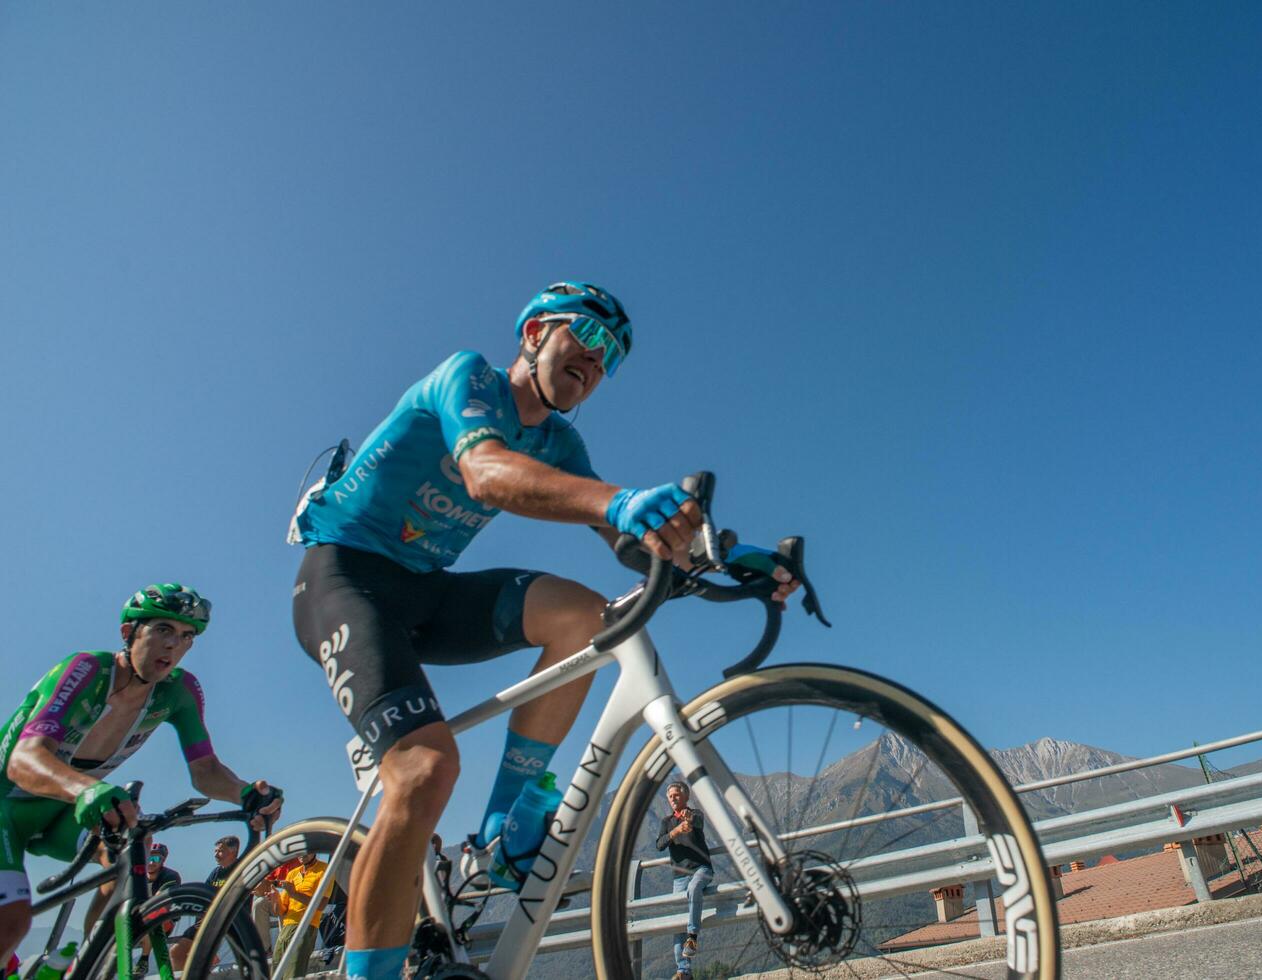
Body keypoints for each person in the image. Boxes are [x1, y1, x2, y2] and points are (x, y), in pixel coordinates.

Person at [287, 282, 800, 980]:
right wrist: (623, 502)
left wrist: (733, 558)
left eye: (608, 358)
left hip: (426, 591)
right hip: (344, 579)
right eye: (583, 340)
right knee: (423, 767)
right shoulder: (466, 376)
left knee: (586, 615)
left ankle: (503, 823)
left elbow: (621, 537)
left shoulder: (560, 440)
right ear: (534, 333)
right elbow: (486, 474)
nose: (594, 362)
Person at [0, 584, 284, 966]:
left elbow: (205, 770)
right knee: (12, 923)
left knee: (129, 853)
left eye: (187, 637)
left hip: (58, 811)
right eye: (163, 630)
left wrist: (245, 793)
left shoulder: (179, 691)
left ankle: (82, 963)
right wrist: (87, 789)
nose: (174, 646)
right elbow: (23, 760)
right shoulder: (86, 670)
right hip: (7, 806)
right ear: (128, 633)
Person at [655, 781, 714, 980]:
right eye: (670, 796)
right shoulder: (666, 822)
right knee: (676, 923)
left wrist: (688, 821)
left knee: (695, 887)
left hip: (702, 869)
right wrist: (676, 831)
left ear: (686, 796)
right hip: (679, 876)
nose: (673, 798)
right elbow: (660, 844)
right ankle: (683, 971)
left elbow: (696, 821)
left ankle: (693, 936)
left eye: (676, 795)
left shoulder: (696, 814)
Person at [169, 835, 242, 970]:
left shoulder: (242, 869)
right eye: (215, 851)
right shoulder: (216, 872)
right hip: (208, 921)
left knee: (197, 957)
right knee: (176, 953)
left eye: (220, 851)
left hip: (230, 920)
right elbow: (204, 896)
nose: (216, 854)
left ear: (233, 851)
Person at [267, 851, 326, 979]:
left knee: (294, 975)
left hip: (306, 926)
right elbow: (280, 911)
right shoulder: (292, 873)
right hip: (285, 929)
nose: (300, 853)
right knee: (276, 975)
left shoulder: (324, 870)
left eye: (305, 850)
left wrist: (293, 893)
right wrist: (275, 898)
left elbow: (321, 905)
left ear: (314, 850)